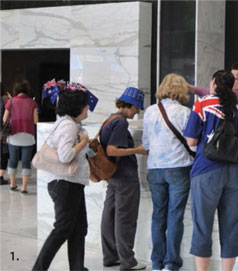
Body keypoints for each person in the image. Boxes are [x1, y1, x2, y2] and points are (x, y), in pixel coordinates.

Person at [184, 70, 238, 271]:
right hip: (235, 173)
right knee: (233, 226)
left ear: (213, 82)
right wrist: (232, 147)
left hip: (206, 170)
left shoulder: (202, 103)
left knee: (202, 225)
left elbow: (190, 140)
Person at [32, 90, 91, 271]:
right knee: (63, 228)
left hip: (71, 183)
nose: (88, 108)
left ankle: (77, 267)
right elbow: (65, 156)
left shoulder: (70, 124)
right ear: (77, 108)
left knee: (79, 227)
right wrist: (83, 142)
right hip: (65, 184)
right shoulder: (68, 126)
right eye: (85, 105)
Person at [142, 74, 194, 271]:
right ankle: (171, 263)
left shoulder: (150, 111)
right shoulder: (185, 113)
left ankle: (156, 262)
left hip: (155, 168)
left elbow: (146, 143)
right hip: (179, 167)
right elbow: (192, 143)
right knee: (175, 215)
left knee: (158, 215)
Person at [100, 87, 148, 271]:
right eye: (137, 108)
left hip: (113, 176)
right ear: (131, 105)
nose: (137, 112)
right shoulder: (121, 123)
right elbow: (112, 150)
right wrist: (138, 150)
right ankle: (128, 262)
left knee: (110, 215)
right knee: (125, 219)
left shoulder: (110, 119)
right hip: (125, 177)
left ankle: (110, 257)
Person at [3, 80, 38, 194]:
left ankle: (13, 184)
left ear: (16, 90)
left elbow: (4, 120)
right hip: (28, 136)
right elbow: (36, 120)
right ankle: (24, 187)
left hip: (13, 135)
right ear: (27, 90)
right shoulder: (32, 103)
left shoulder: (10, 102)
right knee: (26, 162)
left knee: (13, 160)